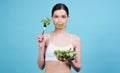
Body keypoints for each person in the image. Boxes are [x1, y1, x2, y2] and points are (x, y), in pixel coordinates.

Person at [37, 3, 82, 73]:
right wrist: (41, 47)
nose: (59, 20)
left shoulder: (75, 39)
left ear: (68, 18)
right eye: (56, 16)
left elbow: (78, 68)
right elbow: (41, 66)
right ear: (52, 18)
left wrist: (69, 60)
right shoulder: (45, 38)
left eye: (63, 17)